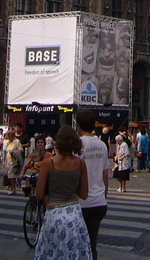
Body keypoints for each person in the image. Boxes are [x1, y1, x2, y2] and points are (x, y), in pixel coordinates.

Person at [32, 125, 91, 260]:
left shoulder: (48, 163)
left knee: (52, 253)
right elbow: (84, 194)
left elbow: (39, 195)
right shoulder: (80, 164)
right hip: (74, 215)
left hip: (54, 215)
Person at [75, 110, 108, 260]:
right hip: (99, 202)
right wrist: (104, 196)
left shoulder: (78, 145)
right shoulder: (102, 145)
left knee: (78, 244)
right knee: (91, 244)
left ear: (79, 125)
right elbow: (105, 175)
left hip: (82, 202)